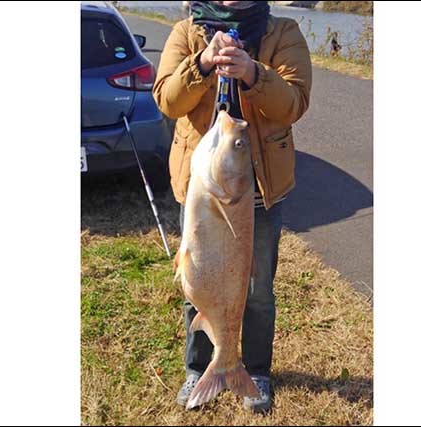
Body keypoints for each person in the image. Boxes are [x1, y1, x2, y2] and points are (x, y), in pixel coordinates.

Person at [152, 0, 312, 413]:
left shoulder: (283, 32)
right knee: (196, 280)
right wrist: (202, 64)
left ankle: (253, 370)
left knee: (257, 291)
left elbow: (294, 103)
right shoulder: (186, 33)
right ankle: (198, 368)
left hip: (258, 191)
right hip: (204, 190)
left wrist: (254, 74)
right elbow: (168, 101)